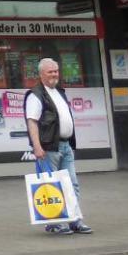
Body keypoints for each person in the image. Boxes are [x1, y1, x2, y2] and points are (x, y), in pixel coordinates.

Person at [26, 57, 93, 235]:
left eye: (56, 71)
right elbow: (32, 122)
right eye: (50, 71)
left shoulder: (59, 91)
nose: (54, 74)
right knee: (51, 186)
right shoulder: (35, 95)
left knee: (72, 184)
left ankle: (75, 220)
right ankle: (56, 223)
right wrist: (37, 146)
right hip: (49, 148)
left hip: (65, 145)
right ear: (41, 74)